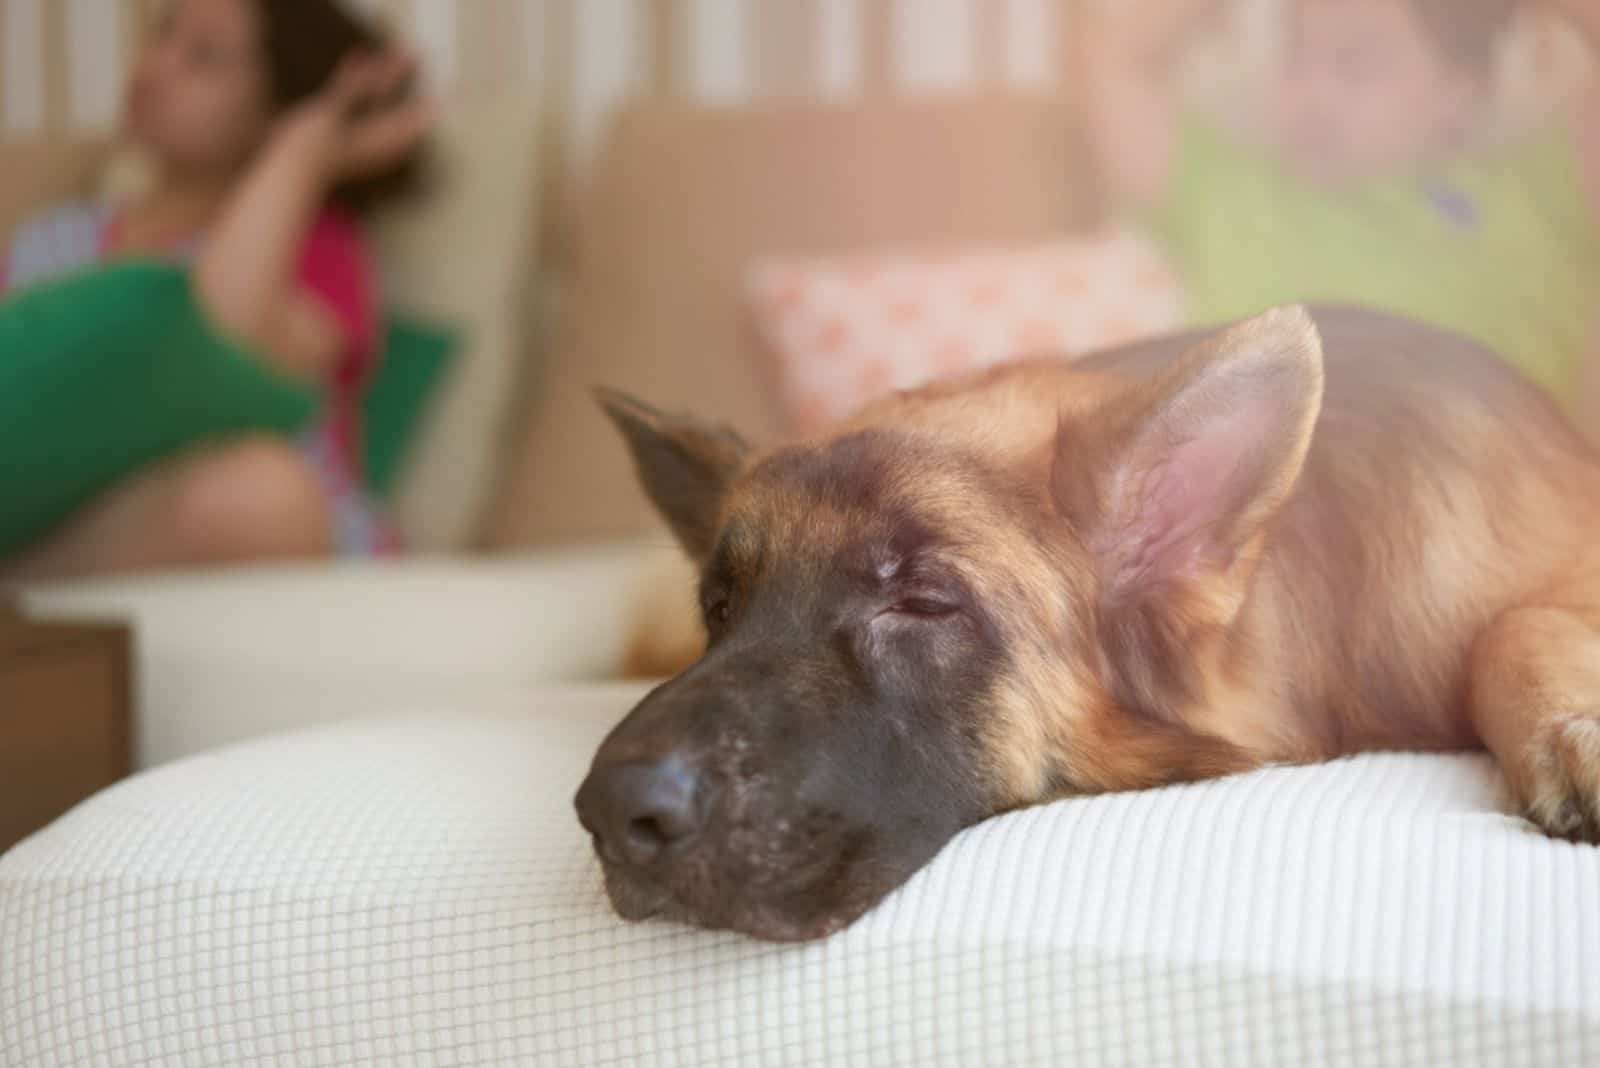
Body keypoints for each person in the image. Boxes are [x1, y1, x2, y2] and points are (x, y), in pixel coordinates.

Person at [0, 0, 432, 582]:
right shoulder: (51, 241)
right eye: (163, 34)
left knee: (264, 498)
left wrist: (300, 155)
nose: (156, 65)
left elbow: (224, 340)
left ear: (273, 109)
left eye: (204, 57)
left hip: (253, 533)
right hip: (68, 531)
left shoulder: (315, 242)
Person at [1078, 0, 1600, 409]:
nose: (1314, 93)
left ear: (1459, 92)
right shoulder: (1226, 190)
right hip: (1284, 512)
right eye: (1297, 57)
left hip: (1500, 504)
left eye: (1357, 64)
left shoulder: (1541, 197)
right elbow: (1113, 56)